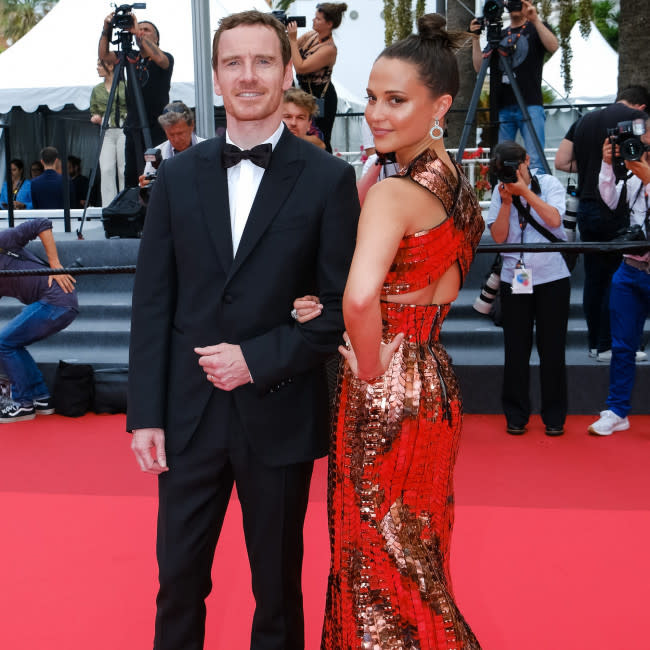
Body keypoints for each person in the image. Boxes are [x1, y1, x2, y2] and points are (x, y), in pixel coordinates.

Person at [126, 10, 359, 650]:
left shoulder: (329, 180)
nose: (248, 76)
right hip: (187, 417)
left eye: (262, 61)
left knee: (277, 592)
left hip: (278, 414)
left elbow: (339, 309)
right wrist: (144, 413)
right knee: (177, 584)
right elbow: (152, 302)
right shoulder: (174, 177)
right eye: (234, 62)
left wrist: (256, 359)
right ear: (216, 74)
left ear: (287, 72)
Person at [310, 12, 483, 647]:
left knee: (370, 558)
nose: (378, 114)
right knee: (418, 552)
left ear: (440, 104)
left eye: (396, 100)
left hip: (385, 376)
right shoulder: (459, 183)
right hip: (434, 375)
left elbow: (361, 298)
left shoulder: (391, 193)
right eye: (372, 99)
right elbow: (417, 283)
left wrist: (370, 361)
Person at [555, 85, 649, 361]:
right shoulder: (638, 120)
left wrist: (592, 163)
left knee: (595, 278)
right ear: (641, 108)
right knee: (619, 277)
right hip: (623, 206)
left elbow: (561, 162)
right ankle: (613, 344)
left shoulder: (584, 120)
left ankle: (597, 343)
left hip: (588, 205)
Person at [486, 141, 570, 436]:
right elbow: (498, 239)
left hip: (552, 277)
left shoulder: (548, 184)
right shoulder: (499, 192)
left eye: (515, 165)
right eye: (505, 168)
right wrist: (508, 202)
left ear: (527, 160)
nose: (512, 172)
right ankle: (516, 415)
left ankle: (555, 417)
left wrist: (526, 193)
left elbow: (555, 221)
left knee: (553, 350)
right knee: (516, 350)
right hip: (515, 278)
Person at [588, 131, 650, 436]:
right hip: (629, 269)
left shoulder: (645, 178)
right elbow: (609, 199)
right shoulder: (634, 179)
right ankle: (617, 411)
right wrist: (607, 164)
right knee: (622, 345)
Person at [0, 218, 78, 422]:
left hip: (56, 301)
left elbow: (42, 223)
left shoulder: (3, 240)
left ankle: (23, 403)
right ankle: (41, 398)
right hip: (55, 304)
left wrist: (55, 264)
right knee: (11, 342)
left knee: (4, 343)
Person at [470, 0, 558, 173]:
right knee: (502, 160)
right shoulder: (499, 34)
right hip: (503, 106)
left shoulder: (535, 28)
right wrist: (475, 39)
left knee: (535, 161)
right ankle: (506, 194)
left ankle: (536, 197)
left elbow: (553, 46)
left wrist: (535, 20)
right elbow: (480, 68)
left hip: (530, 103)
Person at [99, 11, 173, 187]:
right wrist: (106, 30)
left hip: (156, 127)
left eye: (146, 30)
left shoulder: (165, 57)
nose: (141, 31)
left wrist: (137, 32)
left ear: (156, 39)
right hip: (133, 128)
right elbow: (104, 56)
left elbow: (160, 59)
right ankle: (132, 211)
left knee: (155, 176)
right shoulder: (131, 56)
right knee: (131, 177)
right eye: (140, 29)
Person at [288, 2, 348, 153]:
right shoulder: (311, 36)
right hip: (306, 95)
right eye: (315, 17)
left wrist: (293, 39)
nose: (314, 20)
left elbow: (301, 67)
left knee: (321, 138)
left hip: (322, 97)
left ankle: (327, 170)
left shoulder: (329, 49)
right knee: (304, 132)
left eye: (318, 19)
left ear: (329, 24)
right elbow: (290, 49)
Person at [139, 101, 206, 184]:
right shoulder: (157, 153)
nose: (176, 139)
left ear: (192, 125)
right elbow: (147, 185)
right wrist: (145, 185)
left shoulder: (207, 148)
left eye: (180, 133)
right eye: (171, 135)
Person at [90, 57, 127, 206]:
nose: (97, 67)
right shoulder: (97, 89)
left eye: (100, 64)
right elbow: (94, 110)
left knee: (123, 169)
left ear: (111, 66)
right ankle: (109, 207)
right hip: (106, 131)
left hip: (123, 129)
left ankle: (126, 204)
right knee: (106, 169)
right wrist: (96, 117)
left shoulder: (125, 86)